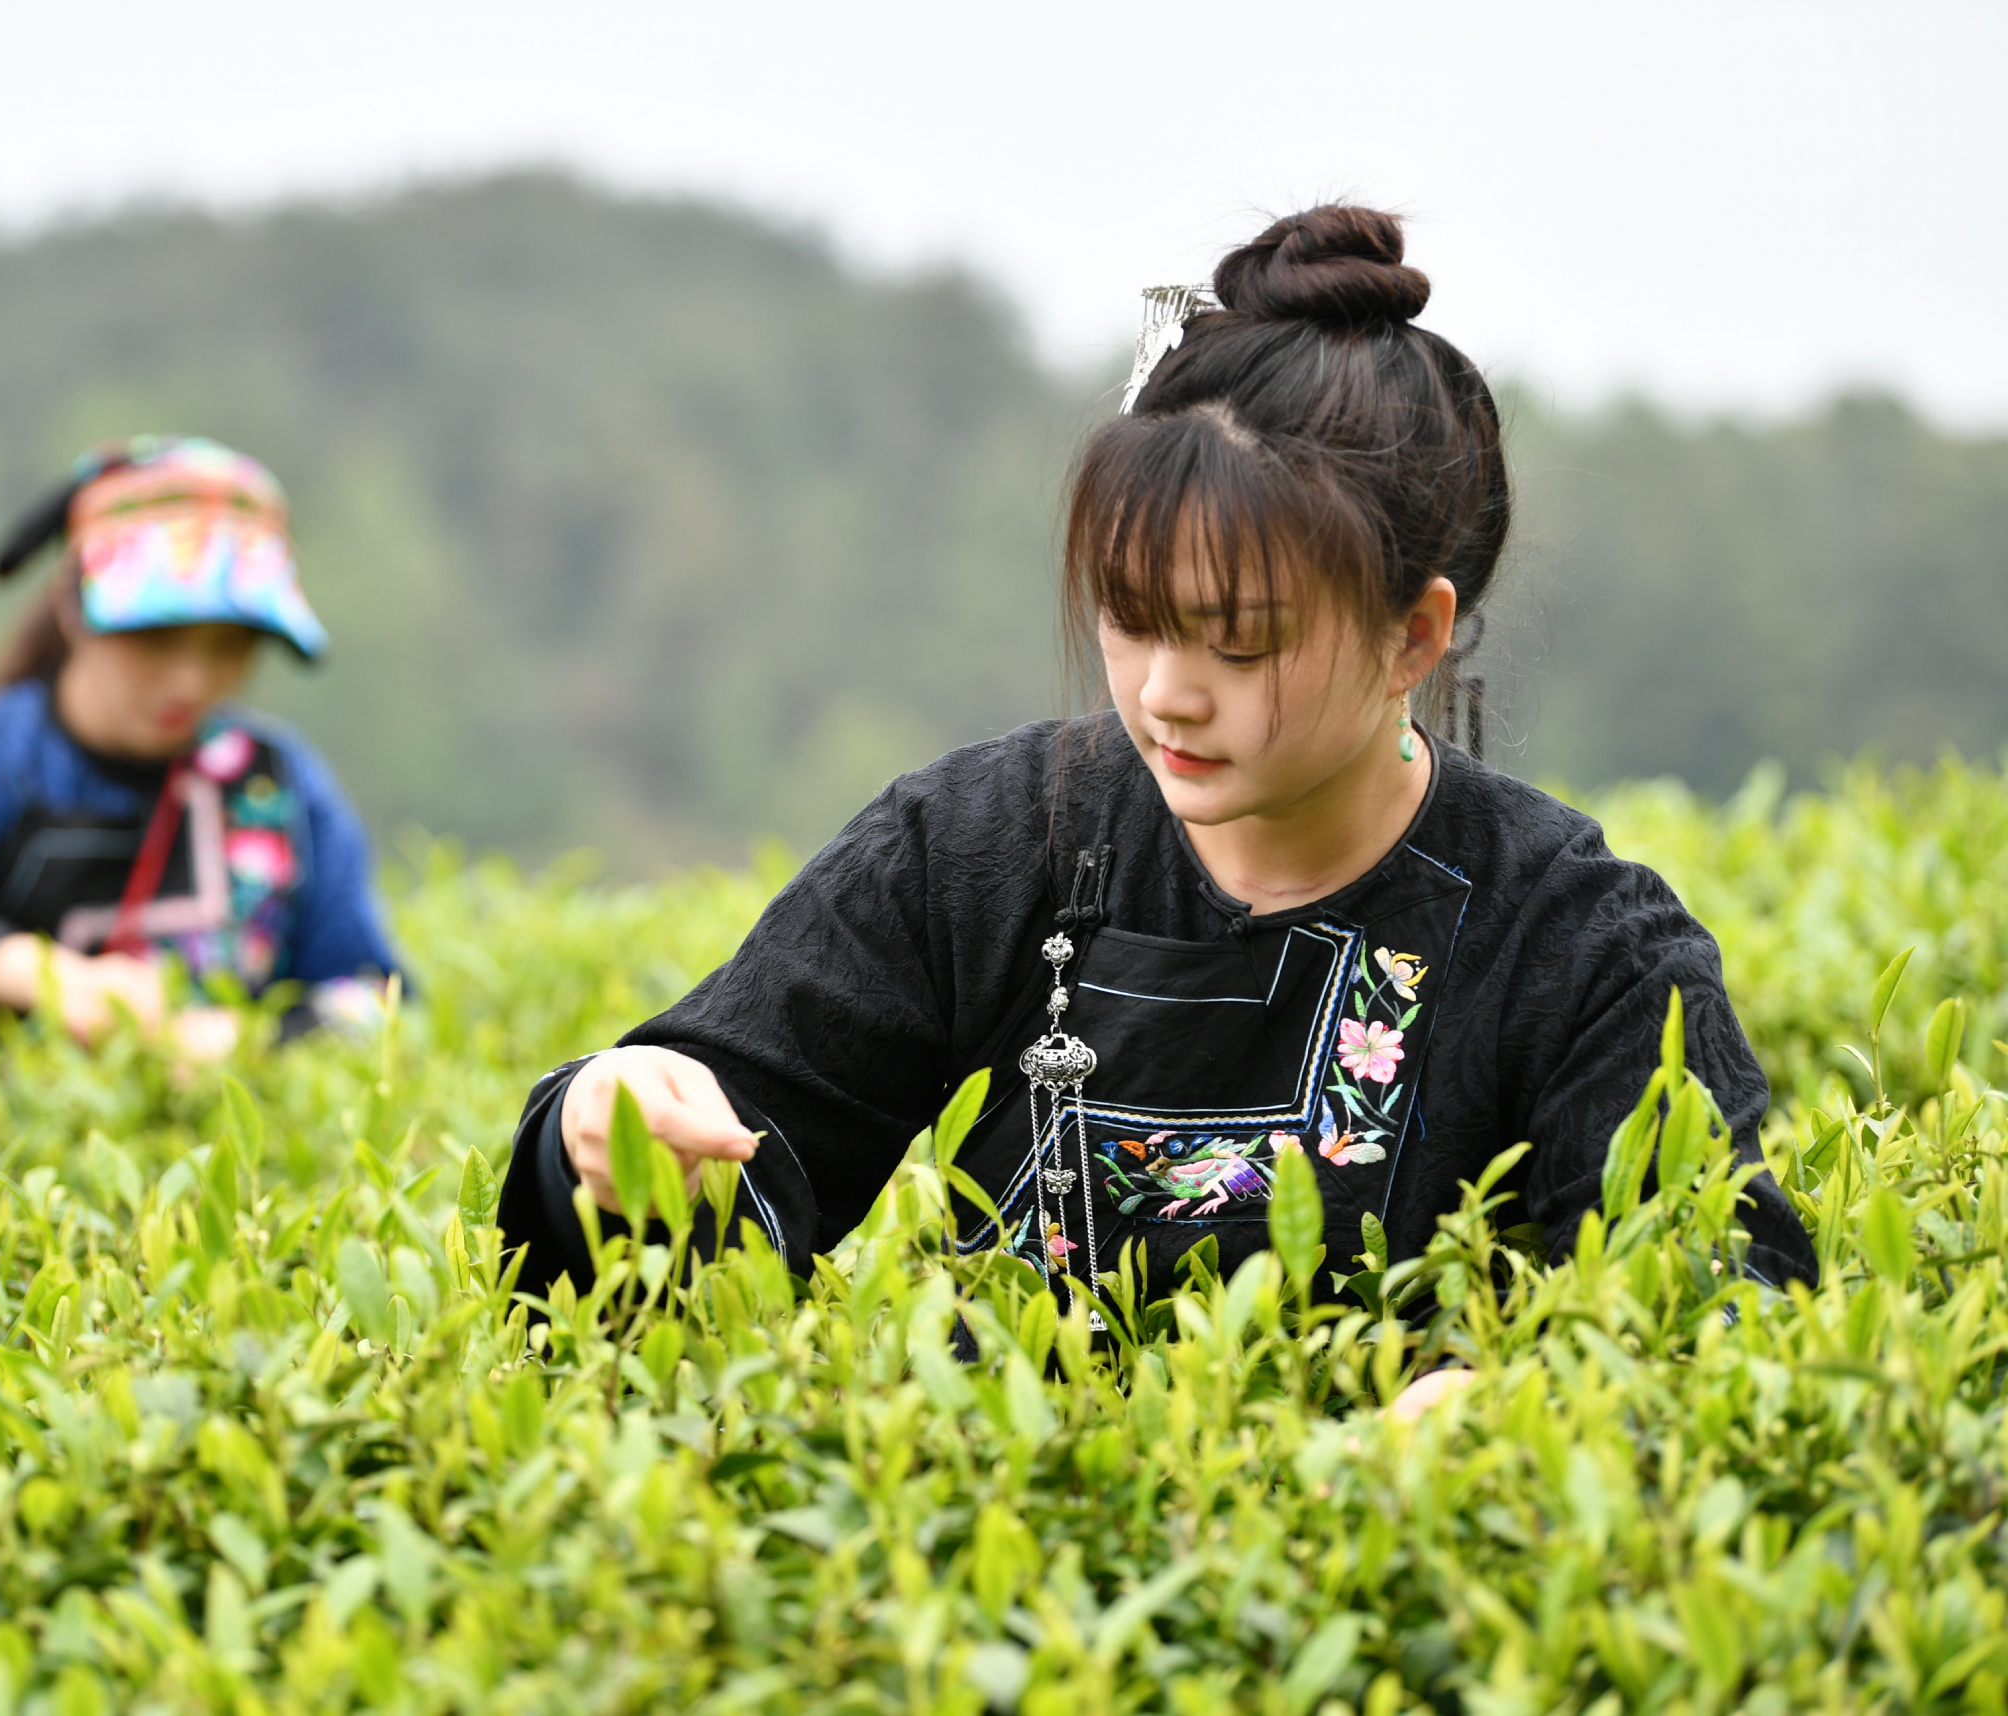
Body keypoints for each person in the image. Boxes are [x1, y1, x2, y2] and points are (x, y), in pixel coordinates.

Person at [496, 206, 1818, 1320]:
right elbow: (733, 1148)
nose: (1165, 694)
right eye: (1129, 622)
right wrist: (601, 1138)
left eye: (1241, 643)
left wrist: (1511, 1397)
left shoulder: (1583, 948)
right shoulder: (981, 847)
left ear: (1411, 632)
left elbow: (1723, 1308)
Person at [0, 435, 400, 1057]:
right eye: (157, 638)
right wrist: (50, 979)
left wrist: (245, 1041)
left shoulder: (275, 786)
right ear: (74, 609)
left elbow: (378, 997)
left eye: (229, 645)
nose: (193, 679)